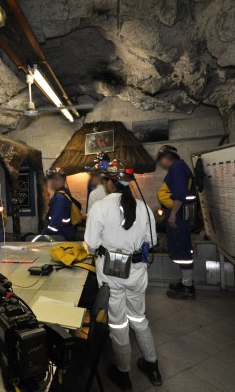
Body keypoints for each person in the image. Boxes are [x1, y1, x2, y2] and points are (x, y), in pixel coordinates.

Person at [85, 160, 161, 392]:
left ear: (109, 183)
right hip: (137, 272)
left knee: (118, 324)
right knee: (139, 318)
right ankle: (152, 365)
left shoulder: (100, 207)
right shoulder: (143, 207)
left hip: (112, 273)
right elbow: (152, 242)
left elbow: (91, 244)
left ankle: (123, 373)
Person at [156, 145, 197, 300]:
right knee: (180, 250)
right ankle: (185, 282)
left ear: (167, 158)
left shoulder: (177, 168)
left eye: (161, 160)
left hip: (179, 216)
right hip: (177, 215)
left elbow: (179, 194)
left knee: (183, 250)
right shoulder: (179, 167)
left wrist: (172, 214)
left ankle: (188, 288)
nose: (161, 163)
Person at [43, 167, 77, 240]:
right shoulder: (64, 192)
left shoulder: (59, 198)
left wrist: (45, 234)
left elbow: (54, 224)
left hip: (60, 235)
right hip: (66, 232)